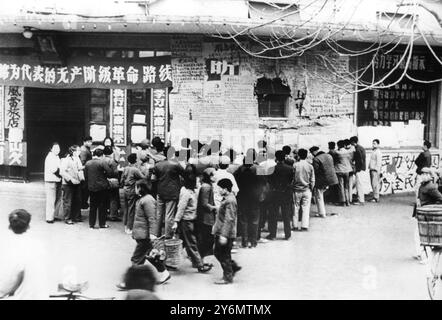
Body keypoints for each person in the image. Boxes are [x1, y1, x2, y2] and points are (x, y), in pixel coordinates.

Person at [0, 209, 49, 300]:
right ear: (28, 226)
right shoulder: (38, 244)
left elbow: (7, 284)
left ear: (10, 226)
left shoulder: (12, 248)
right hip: (41, 295)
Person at [129, 180, 170, 284]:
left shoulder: (147, 200)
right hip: (142, 234)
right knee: (150, 255)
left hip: (145, 236)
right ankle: (164, 273)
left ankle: (131, 281)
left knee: (136, 258)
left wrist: (152, 234)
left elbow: (152, 218)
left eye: (136, 187)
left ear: (141, 188)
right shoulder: (143, 199)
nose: (135, 189)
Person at [172, 174, 212, 273]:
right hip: (187, 221)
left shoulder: (192, 192)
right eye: (196, 182)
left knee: (184, 242)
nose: (198, 183)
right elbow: (181, 208)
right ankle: (199, 265)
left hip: (191, 220)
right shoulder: (187, 193)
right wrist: (176, 221)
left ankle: (172, 262)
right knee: (191, 243)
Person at [213, 179, 242, 285]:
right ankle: (232, 267)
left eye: (219, 188)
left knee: (223, 254)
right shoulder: (227, 199)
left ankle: (228, 277)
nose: (218, 190)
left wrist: (224, 235)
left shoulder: (230, 201)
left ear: (225, 189)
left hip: (225, 233)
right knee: (218, 252)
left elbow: (229, 219)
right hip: (222, 231)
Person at [152, 146, 185, 239]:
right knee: (169, 215)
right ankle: (168, 235)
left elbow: (153, 179)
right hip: (172, 192)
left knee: (158, 214)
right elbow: (184, 174)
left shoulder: (158, 165)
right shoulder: (176, 164)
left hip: (160, 191)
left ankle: (156, 233)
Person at [234, 149, 263, 248]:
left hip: (242, 198)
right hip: (255, 198)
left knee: (243, 220)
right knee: (254, 220)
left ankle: (244, 242)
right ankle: (253, 242)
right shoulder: (258, 169)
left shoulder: (238, 170)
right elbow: (263, 184)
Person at [84, 148, 114, 229]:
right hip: (102, 187)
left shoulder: (88, 163)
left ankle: (91, 224)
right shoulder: (102, 162)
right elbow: (110, 172)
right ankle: (102, 224)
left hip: (91, 187)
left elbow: (85, 175)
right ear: (102, 155)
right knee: (102, 206)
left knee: (92, 206)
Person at [268, 150, 294, 240]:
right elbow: (291, 180)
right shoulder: (290, 168)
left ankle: (272, 234)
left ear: (276, 158)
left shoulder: (272, 169)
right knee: (286, 214)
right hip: (286, 193)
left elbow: (269, 181)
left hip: (275, 193)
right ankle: (287, 234)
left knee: (273, 214)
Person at [309, 146, 338, 218]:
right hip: (332, 178)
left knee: (319, 196)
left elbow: (316, 171)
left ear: (315, 151)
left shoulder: (316, 159)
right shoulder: (329, 156)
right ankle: (322, 212)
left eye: (312, 153)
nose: (312, 155)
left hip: (322, 180)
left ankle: (322, 213)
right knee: (322, 194)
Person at [121, 153, 146, 234]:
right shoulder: (135, 169)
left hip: (125, 189)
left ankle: (125, 225)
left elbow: (122, 180)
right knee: (131, 210)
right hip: (131, 190)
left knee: (126, 208)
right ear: (135, 160)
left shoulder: (126, 168)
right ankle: (129, 228)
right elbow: (144, 177)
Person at [196, 168, 218, 261]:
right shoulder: (206, 187)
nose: (215, 177)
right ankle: (203, 257)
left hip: (206, 216)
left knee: (207, 237)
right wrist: (215, 207)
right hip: (206, 217)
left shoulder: (207, 186)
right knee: (207, 238)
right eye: (213, 175)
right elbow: (204, 204)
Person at [60, 145, 83, 225]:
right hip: (68, 183)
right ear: (73, 152)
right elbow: (62, 172)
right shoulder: (66, 160)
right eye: (78, 150)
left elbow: (79, 169)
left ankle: (76, 217)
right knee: (68, 201)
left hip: (77, 182)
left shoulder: (77, 159)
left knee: (77, 200)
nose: (79, 152)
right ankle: (67, 218)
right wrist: (71, 179)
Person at [292, 149, 315, 231]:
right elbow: (312, 180)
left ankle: (295, 225)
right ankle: (304, 226)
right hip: (307, 189)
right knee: (306, 208)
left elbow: (292, 179)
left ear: (298, 155)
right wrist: (311, 188)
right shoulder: (310, 166)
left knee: (295, 207)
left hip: (296, 190)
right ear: (306, 156)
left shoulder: (295, 165)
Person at [44, 142, 62, 223]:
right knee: (51, 200)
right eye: (55, 148)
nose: (57, 150)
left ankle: (54, 215)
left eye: (58, 148)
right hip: (51, 180)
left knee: (58, 199)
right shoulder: (50, 157)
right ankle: (49, 218)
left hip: (57, 180)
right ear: (51, 149)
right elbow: (54, 170)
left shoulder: (56, 157)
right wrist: (62, 174)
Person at [103, 146, 122, 222]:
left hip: (103, 181)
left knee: (104, 198)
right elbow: (115, 172)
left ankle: (104, 214)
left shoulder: (101, 160)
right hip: (112, 181)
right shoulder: (112, 161)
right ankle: (113, 215)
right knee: (113, 198)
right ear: (111, 153)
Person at [334, 140, 353, 206]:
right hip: (347, 170)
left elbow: (335, 160)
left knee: (341, 186)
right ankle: (348, 201)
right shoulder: (348, 152)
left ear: (338, 145)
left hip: (339, 170)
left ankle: (343, 201)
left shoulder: (337, 152)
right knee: (346, 186)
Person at [350, 136, 366, 205]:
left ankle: (361, 201)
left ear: (353, 142)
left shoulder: (357, 149)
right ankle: (360, 199)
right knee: (359, 184)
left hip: (359, 169)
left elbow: (360, 160)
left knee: (359, 185)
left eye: (351, 143)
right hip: (362, 168)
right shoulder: (361, 148)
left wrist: (357, 169)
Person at [79, 136, 93, 209]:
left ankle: (83, 203)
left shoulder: (86, 149)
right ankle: (83, 203)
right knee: (84, 188)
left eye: (91, 141)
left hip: (86, 171)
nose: (90, 143)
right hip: (85, 171)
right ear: (84, 142)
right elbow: (82, 162)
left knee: (85, 188)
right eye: (88, 141)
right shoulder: (84, 150)